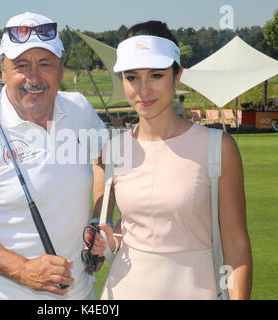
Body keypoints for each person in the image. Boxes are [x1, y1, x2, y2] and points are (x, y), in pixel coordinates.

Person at [0, 12, 105, 300]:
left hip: (80, 293)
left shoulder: (80, 108)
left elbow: (105, 163)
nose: (33, 77)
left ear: (60, 69)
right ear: (3, 72)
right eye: (21, 66)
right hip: (2, 294)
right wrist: (22, 269)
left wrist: (99, 221)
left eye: (45, 64)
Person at [91, 21, 253, 300]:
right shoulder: (112, 151)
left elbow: (236, 245)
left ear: (177, 76)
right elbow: (122, 233)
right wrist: (104, 242)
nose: (143, 90)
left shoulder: (219, 147)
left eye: (155, 75)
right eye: (131, 77)